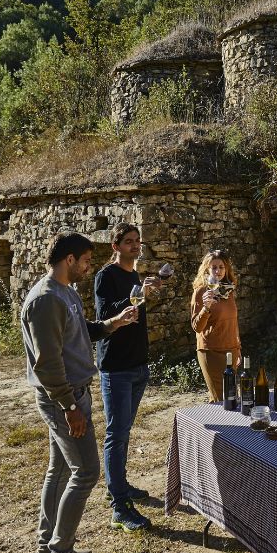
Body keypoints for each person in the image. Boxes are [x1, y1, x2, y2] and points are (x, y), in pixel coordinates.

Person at [22, 231, 137, 553]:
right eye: (86, 260)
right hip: (64, 398)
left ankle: (48, 550)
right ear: (69, 259)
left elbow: (80, 333)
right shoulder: (45, 300)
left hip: (73, 395)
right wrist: (70, 406)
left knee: (59, 471)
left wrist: (114, 323)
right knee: (86, 472)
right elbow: (47, 362)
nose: (89, 267)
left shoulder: (65, 293)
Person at [92, 223, 161, 532]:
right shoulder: (105, 276)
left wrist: (143, 291)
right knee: (116, 434)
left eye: (137, 241)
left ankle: (120, 485)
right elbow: (105, 314)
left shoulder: (135, 275)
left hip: (138, 364)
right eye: (129, 242)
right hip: (116, 367)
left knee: (124, 431)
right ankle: (119, 506)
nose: (135, 246)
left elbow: (136, 317)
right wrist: (137, 295)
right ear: (115, 246)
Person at [190, 248, 241, 403]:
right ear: (207, 269)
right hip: (211, 352)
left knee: (232, 397)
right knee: (221, 399)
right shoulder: (201, 292)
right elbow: (196, 327)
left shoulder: (228, 291)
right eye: (214, 267)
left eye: (221, 267)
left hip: (231, 350)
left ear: (226, 269)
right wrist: (206, 307)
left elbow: (234, 322)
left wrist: (238, 347)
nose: (218, 271)